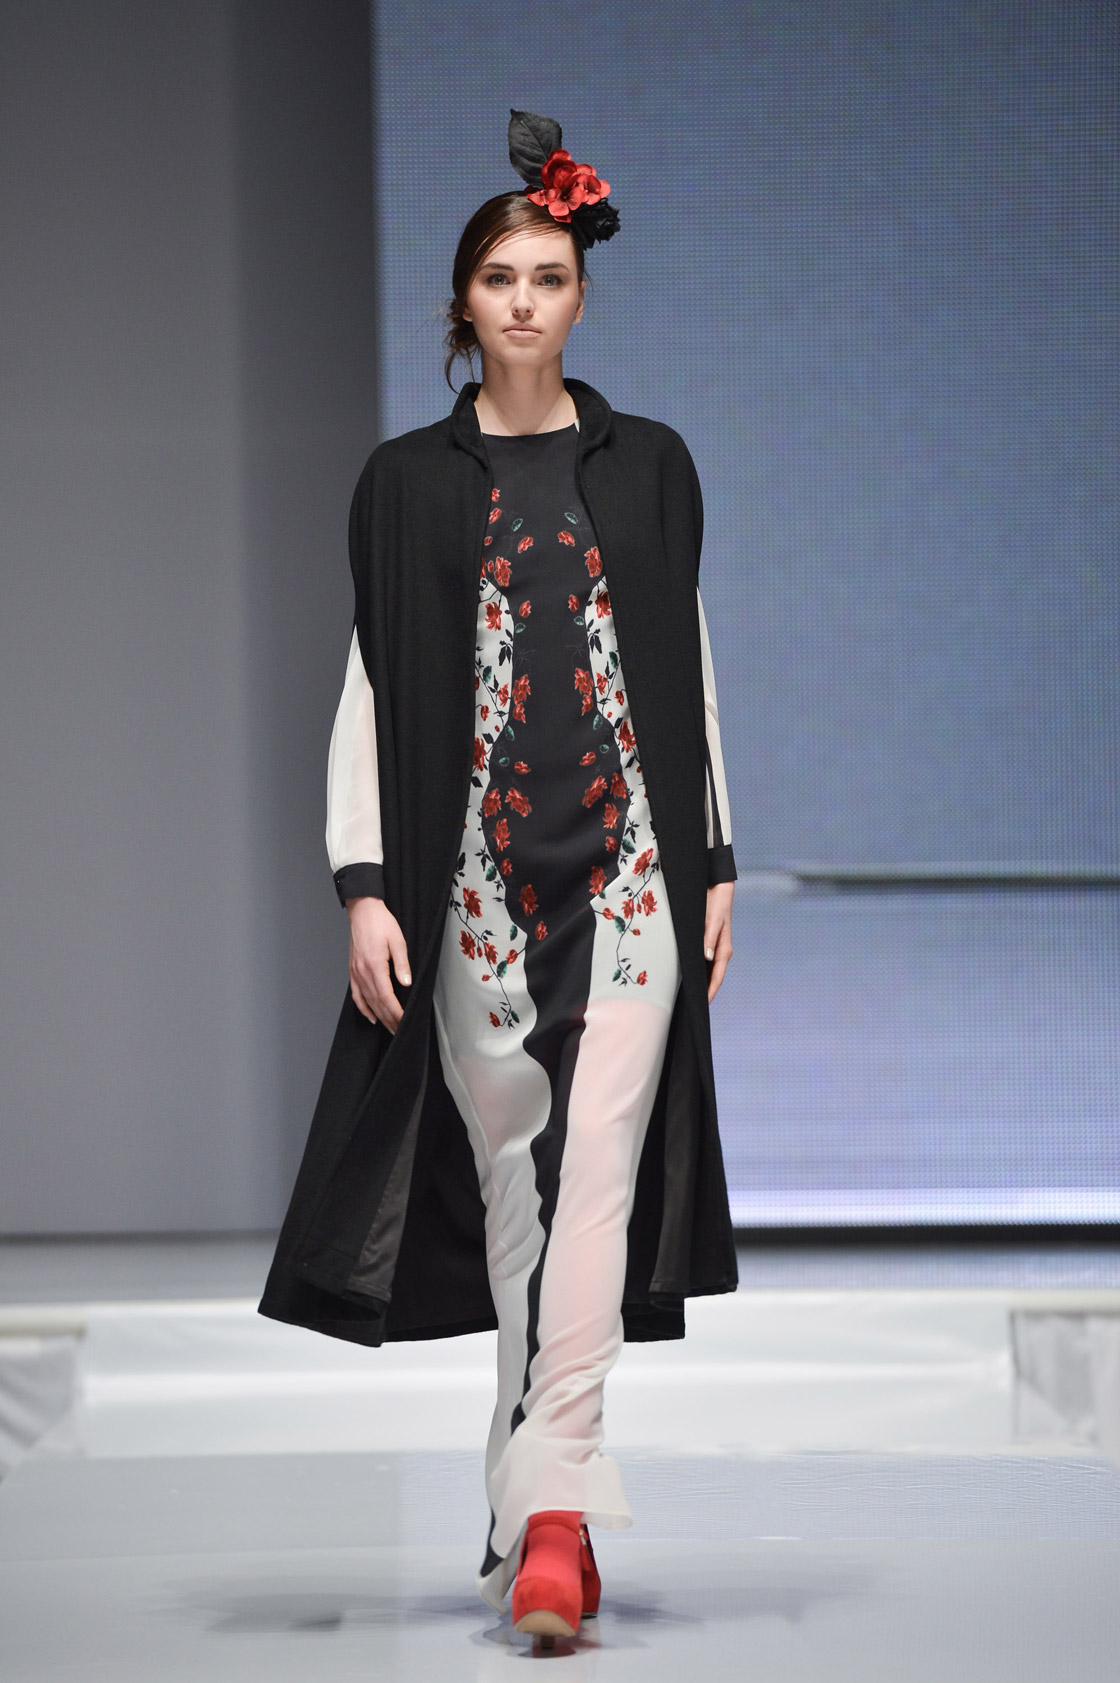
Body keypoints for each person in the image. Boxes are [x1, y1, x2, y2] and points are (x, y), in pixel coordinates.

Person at [259, 110, 739, 1641]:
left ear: (581, 296)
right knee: (520, 1204)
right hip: (473, 884)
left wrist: (717, 854)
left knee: (601, 1170)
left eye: (549, 276)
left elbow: (686, 665)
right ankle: (539, 1518)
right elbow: (372, 683)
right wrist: (362, 881)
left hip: (633, 870)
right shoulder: (406, 484)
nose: (525, 302)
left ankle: (551, 1519)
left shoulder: (651, 466)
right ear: (461, 302)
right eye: (498, 278)